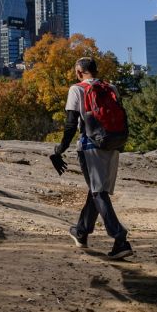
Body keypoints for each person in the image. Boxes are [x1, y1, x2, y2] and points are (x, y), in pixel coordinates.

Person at [53, 57, 134, 259]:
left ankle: (120, 238)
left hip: (91, 146)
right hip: (113, 143)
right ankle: (81, 231)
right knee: (96, 190)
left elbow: (71, 124)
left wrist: (60, 149)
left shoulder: (76, 89)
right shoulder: (111, 88)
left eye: (75, 71)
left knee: (98, 192)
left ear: (80, 71)